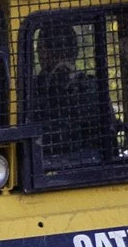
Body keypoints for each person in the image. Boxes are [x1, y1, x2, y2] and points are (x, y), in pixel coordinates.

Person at [26, 18, 118, 165]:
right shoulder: (94, 85)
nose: (39, 54)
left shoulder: (34, 90)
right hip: (98, 163)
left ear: (45, 51)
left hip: (55, 166)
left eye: (40, 48)